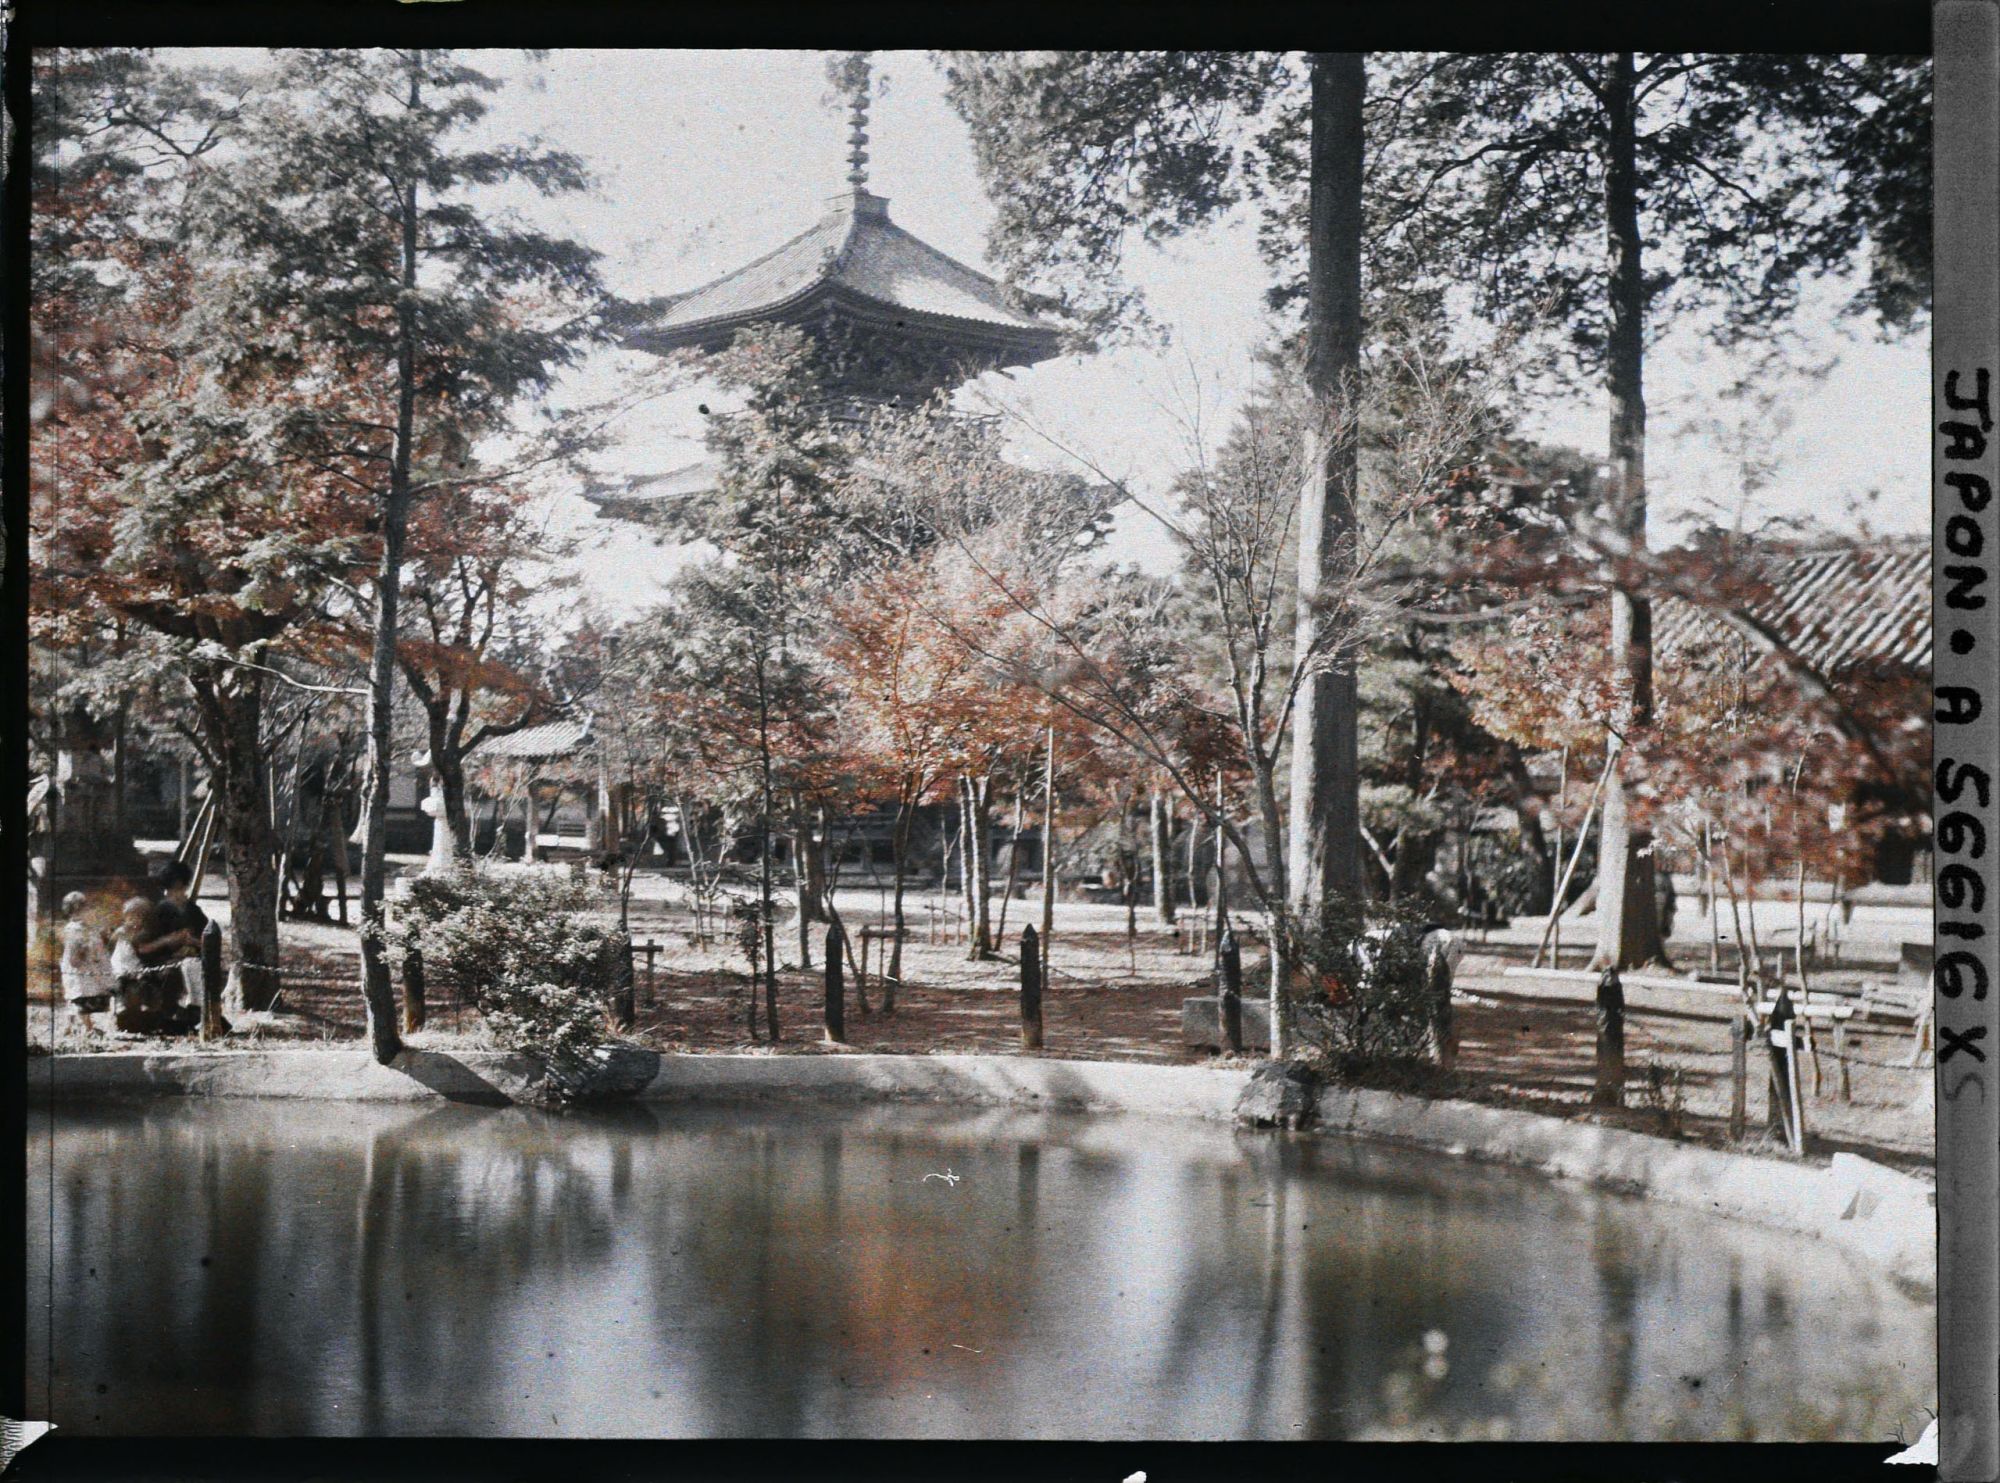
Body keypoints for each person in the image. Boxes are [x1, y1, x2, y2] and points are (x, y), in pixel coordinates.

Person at [112, 896, 198, 1037]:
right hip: (125, 969)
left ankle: (157, 1014)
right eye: (132, 918)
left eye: (140, 918)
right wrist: (165, 940)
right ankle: (126, 1010)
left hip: (138, 967)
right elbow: (143, 949)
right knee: (128, 988)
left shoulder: (143, 931)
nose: (136, 922)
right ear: (126, 917)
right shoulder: (124, 932)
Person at [58, 892, 115, 1034]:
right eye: (84, 909)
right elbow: (74, 955)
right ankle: (87, 1027)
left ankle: (69, 1026)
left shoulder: (87, 927)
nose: (89, 911)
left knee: (82, 996)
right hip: (80, 970)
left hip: (90, 969)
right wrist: (83, 951)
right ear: (76, 911)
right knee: (79, 997)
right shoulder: (74, 930)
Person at [135, 859, 208, 968]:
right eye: (173, 890)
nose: (175, 895)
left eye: (179, 888)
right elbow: (142, 949)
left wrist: (192, 941)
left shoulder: (194, 911)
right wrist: (167, 940)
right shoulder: (158, 911)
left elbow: (209, 943)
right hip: (163, 966)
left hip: (192, 963)